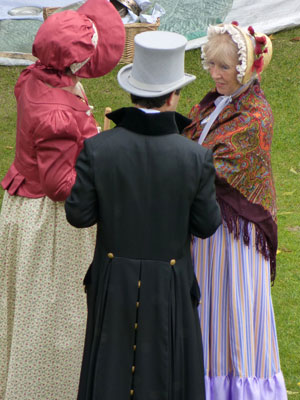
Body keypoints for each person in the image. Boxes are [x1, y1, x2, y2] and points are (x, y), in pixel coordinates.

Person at [65, 30, 222, 400]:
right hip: (170, 284)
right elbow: (207, 224)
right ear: (173, 97)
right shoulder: (194, 157)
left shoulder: (98, 149)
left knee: (108, 375)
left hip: (112, 282)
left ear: (132, 91)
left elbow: (78, 215)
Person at [0, 1, 125, 399]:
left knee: (30, 316)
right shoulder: (55, 110)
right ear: (69, 60)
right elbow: (60, 185)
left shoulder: (37, 78)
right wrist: (104, 160)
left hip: (25, 209)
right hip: (53, 225)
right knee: (56, 325)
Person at [183, 22, 287, 399]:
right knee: (208, 313)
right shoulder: (212, 103)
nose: (214, 73)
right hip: (206, 233)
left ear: (244, 70)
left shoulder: (255, 116)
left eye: (223, 67)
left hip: (235, 239)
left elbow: (210, 166)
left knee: (235, 315)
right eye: (211, 64)